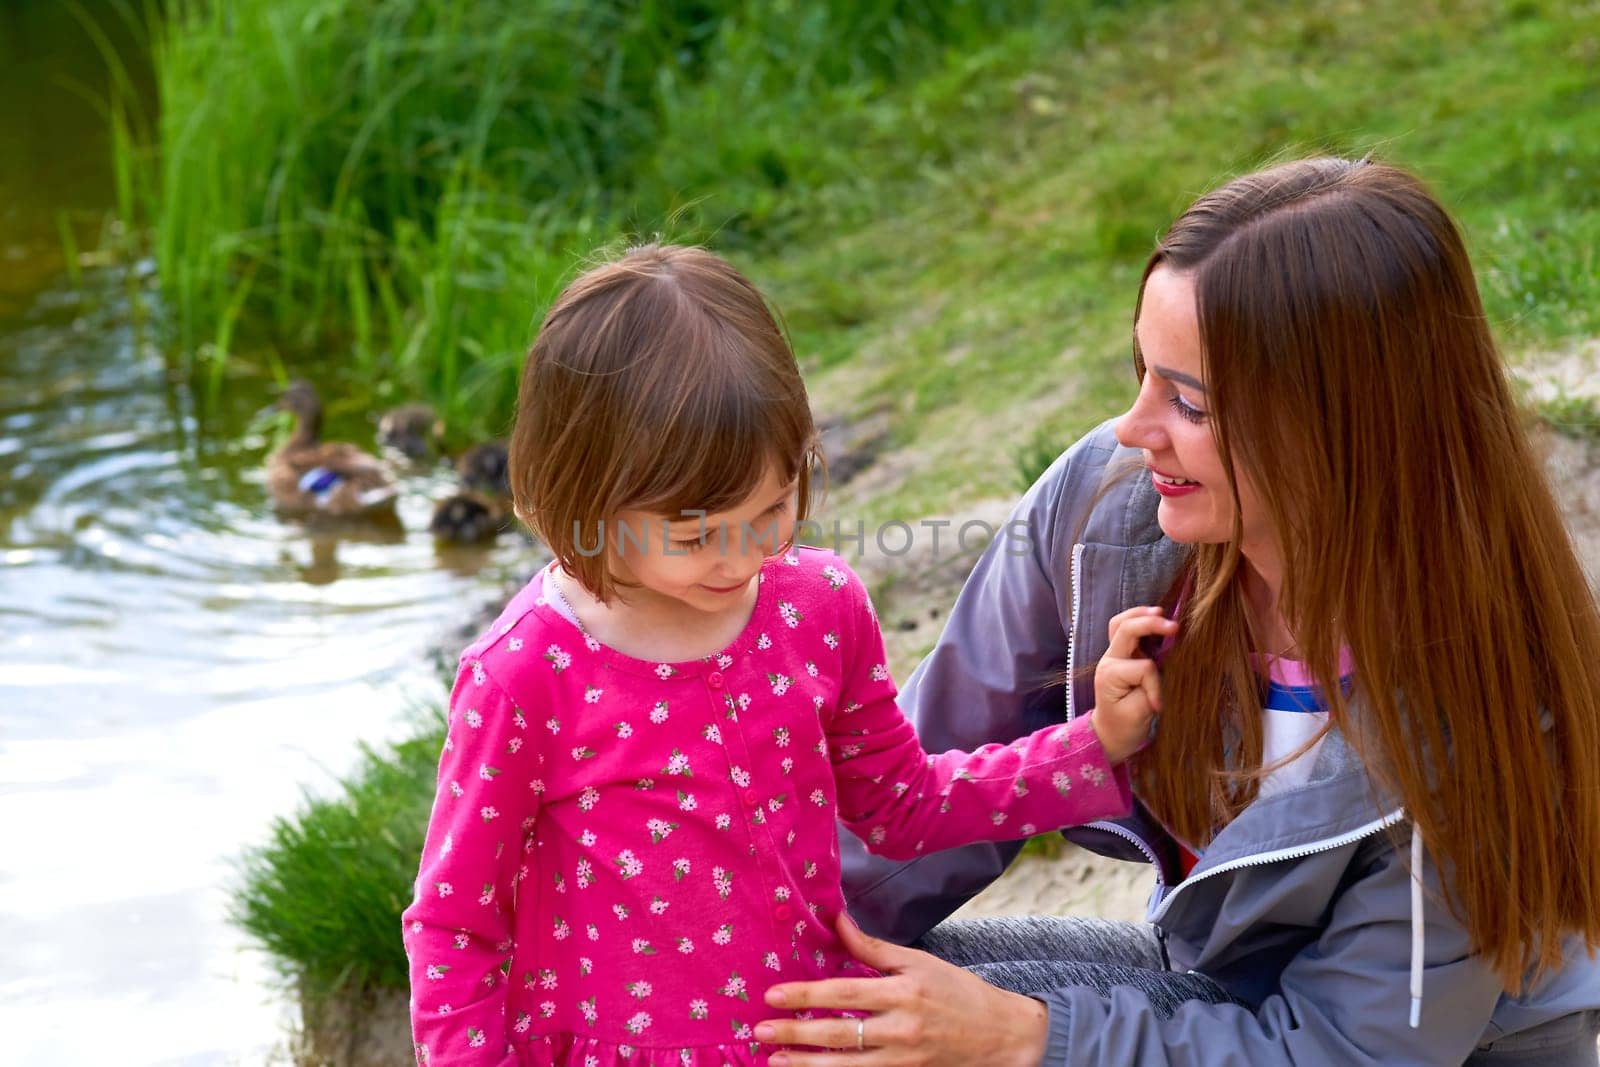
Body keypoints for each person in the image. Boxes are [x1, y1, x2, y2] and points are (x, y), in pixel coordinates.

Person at [753, 158, 1600, 1065]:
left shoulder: (1494, 708)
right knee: (819, 1002)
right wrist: (710, 950)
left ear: (1338, 425)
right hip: (1208, 985)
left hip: (1420, 1052)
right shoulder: (1104, 518)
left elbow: (1347, 1049)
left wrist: (1024, 1035)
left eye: (1187, 400)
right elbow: (913, 798)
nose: (1132, 427)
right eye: (1143, 373)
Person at [399, 244, 1168, 1066]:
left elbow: (904, 804)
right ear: (579, 493)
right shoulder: (526, 675)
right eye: (695, 536)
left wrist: (1093, 743)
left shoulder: (818, 608)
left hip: (811, 1040)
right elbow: (454, 923)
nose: (740, 560)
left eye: (771, 510)